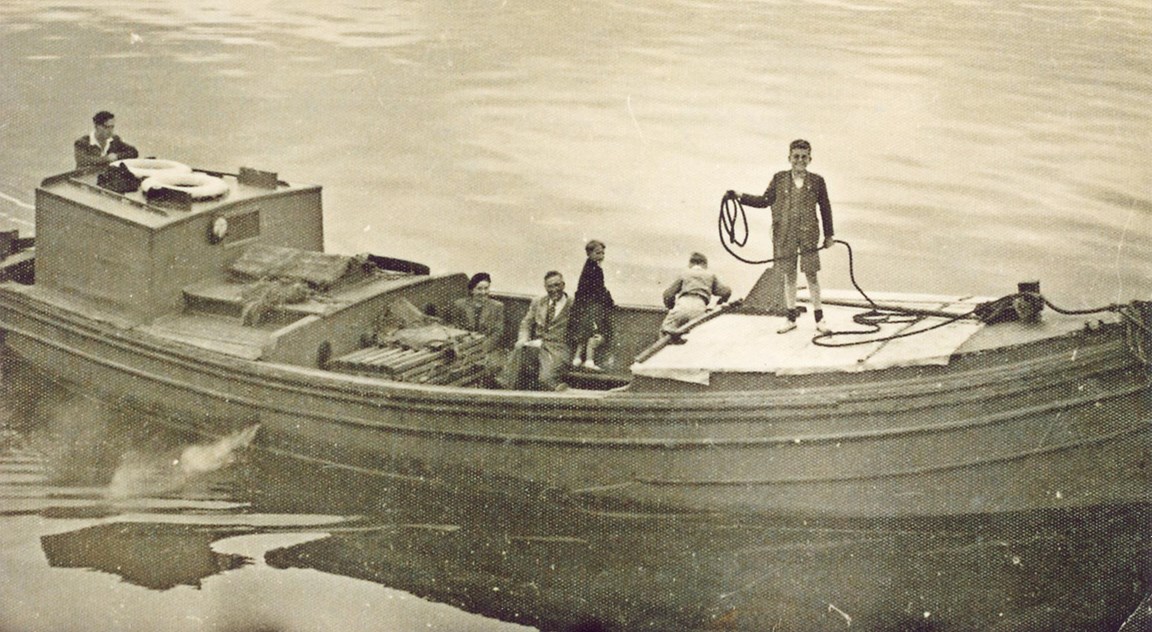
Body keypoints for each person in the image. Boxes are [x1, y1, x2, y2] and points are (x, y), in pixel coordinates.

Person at [732, 138, 834, 334]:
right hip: (785, 234)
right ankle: (790, 317)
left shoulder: (818, 181)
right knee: (789, 275)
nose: (800, 160)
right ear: (789, 158)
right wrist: (740, 196)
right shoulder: (779, 179)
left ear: (810, 159)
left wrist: (829, 235)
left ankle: (819, 320)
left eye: (804, 157)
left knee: (811, 275)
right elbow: (764, 201)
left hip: (808, 234)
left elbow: (825, 208)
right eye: (796, 156)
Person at [497, 270, 572, 391]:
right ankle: (504, 391)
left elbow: (585, 329)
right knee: (519, 350)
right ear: (545, 287)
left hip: (558, 349)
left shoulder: (574, 304)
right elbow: (526, 323)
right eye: (550, 286)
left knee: (545, 379)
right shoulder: (538, 302)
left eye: (557, 285)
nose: (554, 289)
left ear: (563, 285)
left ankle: (565, 393)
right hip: (537, 345)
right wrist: (523, 338)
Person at [567, 239, 614, 371]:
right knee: (594, 334)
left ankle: (576, 359)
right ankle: (589, 360)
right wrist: (609, 301)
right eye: (598, 253)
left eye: (603, 253)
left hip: (582, 305)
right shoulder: (596, 269)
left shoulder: (587, 266)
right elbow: (599, 289)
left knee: (584, 333)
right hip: (591, 305)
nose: (602, 256)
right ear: (589, 253)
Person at [660, 252, 731, 337]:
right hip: (700, 307)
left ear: (690, 263)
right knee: (694, 336)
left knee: (664, 332)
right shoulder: (710, 275)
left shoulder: (684, 273)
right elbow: (726, 292)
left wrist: (671, 307)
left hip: (682, 304)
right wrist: (719, 303)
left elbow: (668, 295)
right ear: (704, 264)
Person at [446, 272, 506, 364]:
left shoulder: (497, 306)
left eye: (486, 288)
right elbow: (455, 328)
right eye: (479, 289)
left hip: (488, 348)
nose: (483, 292)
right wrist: (466, 346)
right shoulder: (460, 305)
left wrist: (481, 350)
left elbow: (498, 332)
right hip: (465, 346)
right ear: (472, 290)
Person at [74, 110, 138, 169]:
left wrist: (117, 156)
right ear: (96, 126)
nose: (110, 131)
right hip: (85, 178)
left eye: (112, 127)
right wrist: (107, 159)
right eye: (106, 127)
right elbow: (83, 161)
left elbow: (133, 152)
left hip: (106, 178)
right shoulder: (82, 142)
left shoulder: (114, 140)